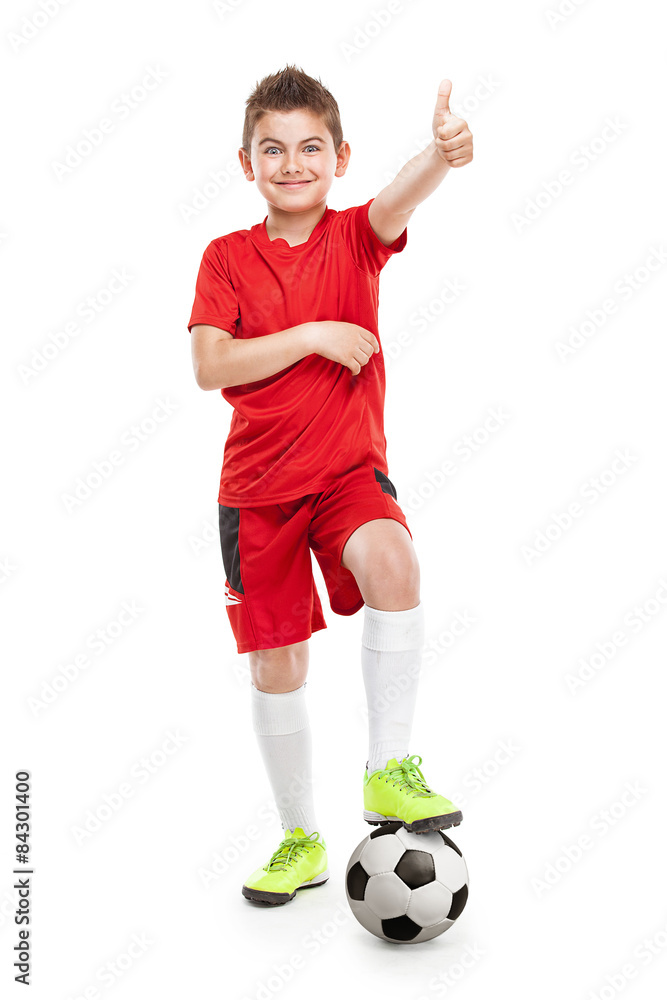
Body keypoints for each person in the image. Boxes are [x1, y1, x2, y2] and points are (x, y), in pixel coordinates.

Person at [187, 64, 473, 906]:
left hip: (346, 474)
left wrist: (441, 154)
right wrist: (313, 333)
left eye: (310, 147)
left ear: (338, 157)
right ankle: (300, 840)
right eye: (271, 149)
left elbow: (401, 198)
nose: (291, 163)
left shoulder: (355, 237)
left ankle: (388, 770)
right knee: (276, 665)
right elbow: (211, 365)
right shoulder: (226, 258)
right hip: (257, 493)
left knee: (393, 559)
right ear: (247, 164)